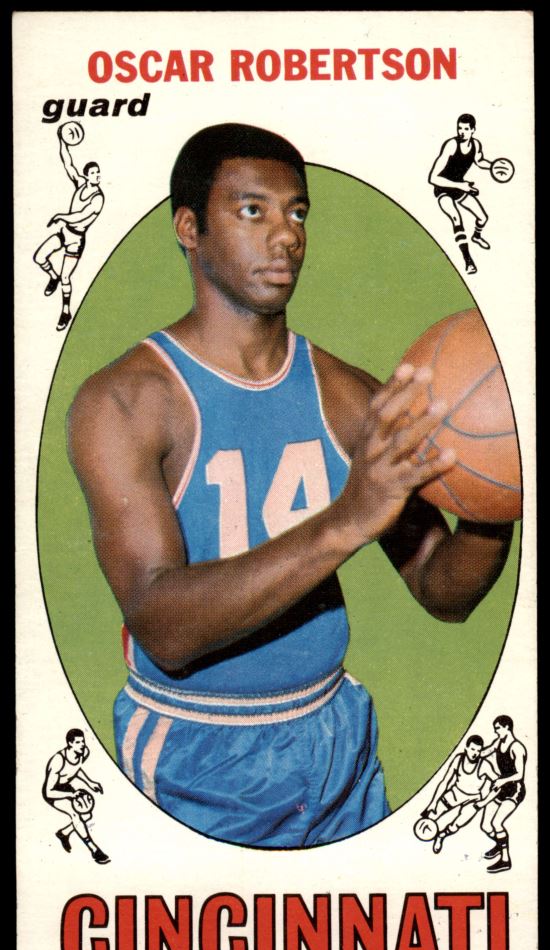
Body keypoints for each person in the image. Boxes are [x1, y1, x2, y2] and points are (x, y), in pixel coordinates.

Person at [67, 123, 513, 849]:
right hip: (198, 749)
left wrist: (499, 496)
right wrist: (347, 520)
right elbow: (163, 625)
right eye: (253, 210)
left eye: (296, 212)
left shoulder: (348, 395)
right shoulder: (124, 400)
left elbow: (443, 589)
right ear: (189, 228)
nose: (285, 236)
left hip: (336, 736)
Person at [33, 127, 104, 332]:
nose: (97, 176)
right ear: (86, 175)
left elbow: (80, 216)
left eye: (98, 173)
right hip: (65, 233)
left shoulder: (98, 198)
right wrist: (62, 141)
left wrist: (60, 216)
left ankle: (66, 311)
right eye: (93, 173)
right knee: (39, 257)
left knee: (66, 278)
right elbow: (68, 163)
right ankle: (52, 276)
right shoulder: (80, 184)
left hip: (76, 240)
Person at [429, 114, 493, 275]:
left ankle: (476, 237)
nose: (461, 132)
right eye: (459, 128)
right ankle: (468, 261)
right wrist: (461, 186)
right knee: (456, 218)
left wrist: (493, 166)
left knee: (483, 218)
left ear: (473, 130)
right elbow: (433, 178)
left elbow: (480, 161)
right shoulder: (451, 145)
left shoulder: (476, 145)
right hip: (443, 188)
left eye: (465, 129)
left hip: (460, 187)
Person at [42, 729, 110, 864]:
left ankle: (64, 833)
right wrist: (71, 794)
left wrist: (90, 783)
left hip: (66, 787)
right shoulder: (58, 761)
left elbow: (76, 769)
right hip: (54, 792)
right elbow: (49, 791)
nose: (82, 745)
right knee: (75, 814)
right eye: (78, 742)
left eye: (83, 741)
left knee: (86, 815)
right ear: (70, 744)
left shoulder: (84, 752)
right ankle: (94, 850)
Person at [423, 735, 497, 854]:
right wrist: (433, 802)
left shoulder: (484, 765)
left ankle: (441, 836)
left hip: (473, 798)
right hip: (456, 793)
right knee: (432, 816)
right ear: (466, 748)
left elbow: (499, 784)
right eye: (472, 749)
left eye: (478, 750)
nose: (475, 753)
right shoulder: (458, 759)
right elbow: (445, 782)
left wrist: (485, 801)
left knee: (457, 824)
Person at [479, 715, 526, 873]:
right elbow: (486, 751)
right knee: (485, 826)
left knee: (497, 823)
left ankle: (505, 860)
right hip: (501, 788)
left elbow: (520, 775)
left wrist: (502, 780)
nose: (496, 731)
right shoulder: (498, 742)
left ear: (507, 727)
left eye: (498, 728)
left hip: (514, 790)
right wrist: (474, 753)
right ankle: (500, 844)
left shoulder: (517, 747)